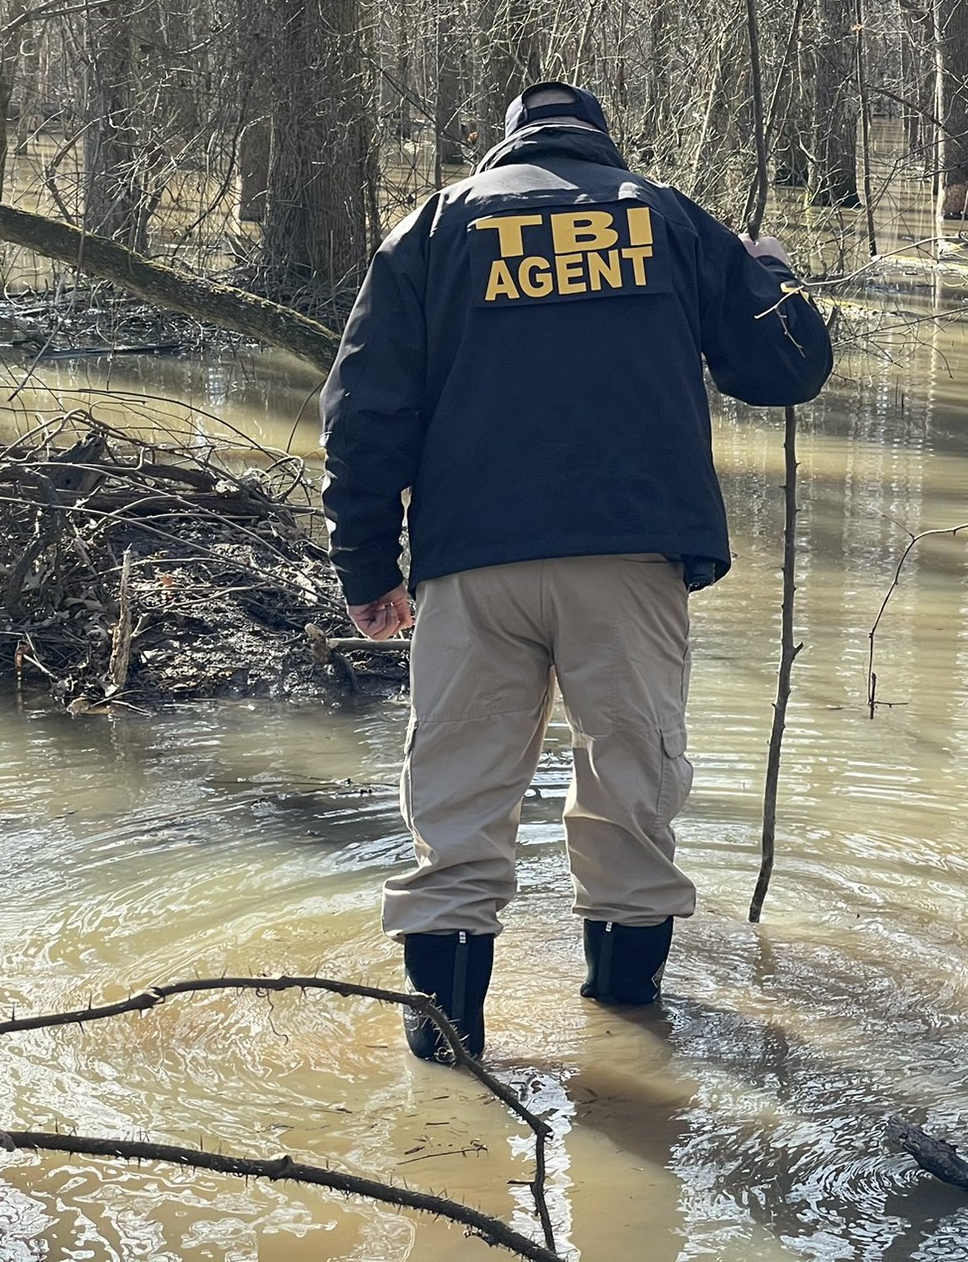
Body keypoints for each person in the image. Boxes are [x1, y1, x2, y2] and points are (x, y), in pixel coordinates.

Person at [320, 82, 832, 1063]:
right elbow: (784, 369)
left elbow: (363, 413)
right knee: (630, 790)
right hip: (628, 561)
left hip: (471, 566)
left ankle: (447, 1061)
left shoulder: (433, 227)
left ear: (506, 148)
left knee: (459, 805)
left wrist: (366, 567)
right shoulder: (667, 217)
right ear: (605, 144)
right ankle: (628, 1044)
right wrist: (776, 276)